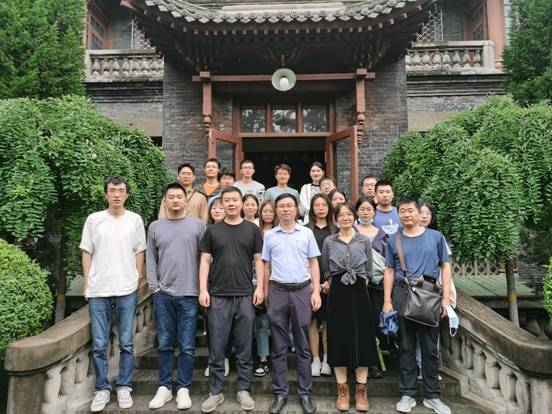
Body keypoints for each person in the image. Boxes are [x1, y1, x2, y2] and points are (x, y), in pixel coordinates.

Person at [80, 177, 146, 412]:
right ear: (105, 194)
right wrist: (87, 283)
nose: (117, 194)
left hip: (126, 288)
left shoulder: (134, 219)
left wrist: (137, 277)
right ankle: (102, 388)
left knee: (126, 342)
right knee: (99, 343)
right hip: (99, 289)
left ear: (127, 194)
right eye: (112, 190)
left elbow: (140, 250)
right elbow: (87, 251)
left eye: (121, 191)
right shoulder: (94, 219)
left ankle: (124, 386)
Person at [382, 198, 452, 414]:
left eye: (410, 210)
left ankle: (433, 396)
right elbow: (389, 270)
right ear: (398, 214)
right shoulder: (394, 240)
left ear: (419, 212)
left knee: (430, 348)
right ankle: (407, 394)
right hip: (402, 294)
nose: (406, 214)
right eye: (402, 211)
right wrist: (387, 300)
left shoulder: (436, 237)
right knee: (406, 346)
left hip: (429, 294)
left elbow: (445, 266)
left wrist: (446, 299)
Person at [198, 186, 265, 413]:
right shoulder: (212, 231)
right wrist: (203, 290)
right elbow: (205, 261)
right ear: (222, 204)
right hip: (218, 295)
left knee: (245, 346)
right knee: (217, 347)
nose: (231, 204)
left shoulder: (252, 229)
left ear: (242, 202)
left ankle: (244, 390)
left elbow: (259, 260)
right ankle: (215, 392)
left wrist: (260, 287)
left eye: (235, 200)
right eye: (227, 200)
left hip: (245, 294)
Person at [147, 183, 206, 409]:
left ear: (185, 200)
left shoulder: (198, 226)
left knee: (187, 345)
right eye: (170, 197)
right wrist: (154, 287)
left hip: (189, 293)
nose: (175, 200)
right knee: (164, 343)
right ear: (165, 200)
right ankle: (164, 387)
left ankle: (183, 388)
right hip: (163, 294)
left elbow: (205, 259)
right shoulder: (155, 226)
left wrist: (202, 288)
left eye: (179, 197)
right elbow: (151, 258)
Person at [262, 193, 321, 414]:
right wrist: (265, 293)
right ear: (276, 210)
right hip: (277, 291)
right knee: (278, 346)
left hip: (302, 291)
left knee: (303, 344)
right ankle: (280, 393)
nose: (286, 209)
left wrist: (316, 291)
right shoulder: (269, 235)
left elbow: (313, 263)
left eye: (289, 206)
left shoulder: (306, 233)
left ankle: (305, 393)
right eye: (281, 206)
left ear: (296, 209)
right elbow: (266, 266)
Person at [321, 203, 378, 412]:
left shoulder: (364, 240)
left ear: (354, 217)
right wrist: (330, 282)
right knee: (338, 337)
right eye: (341, 215)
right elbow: (326, 269)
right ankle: (343, 392)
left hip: (360, 292)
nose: (345, 218)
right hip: (337, 292)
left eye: (349, 214)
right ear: (335, 219)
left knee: (363, 337)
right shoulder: (329, 241)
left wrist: (362, 283)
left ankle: (361, 392)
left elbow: (368, 270)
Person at [356, 195, 387, 378]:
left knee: (375, 323)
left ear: (374, 212)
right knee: (359, 324)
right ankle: (362, 363)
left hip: (378, 284)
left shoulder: (383, 234)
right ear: (357, 212)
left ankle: (374, 363)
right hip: (356, 285)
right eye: (362, 209)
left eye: (369, 209)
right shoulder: (351, 232)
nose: (365, 213)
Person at [305, 194, 336, 378]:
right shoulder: (305, 230)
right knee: (312, 321)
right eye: (317, 205)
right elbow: (301, 257)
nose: (321, 208)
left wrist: (329, 281)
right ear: (312, 208)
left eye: (324, 205)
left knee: (329, 322)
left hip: (332, 284)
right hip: (309, 284)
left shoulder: (336, 230)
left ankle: (327, 359)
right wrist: (311, 282)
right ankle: (315, 359)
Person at [254, 201, 276, 378]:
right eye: (265, 211)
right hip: (256, 280)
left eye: (271, 211)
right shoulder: (255, 230)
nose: (268, 214)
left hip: (278, 280)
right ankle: (262, 357)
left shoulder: (280, 231)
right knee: (260, 321)